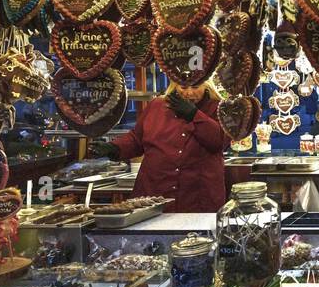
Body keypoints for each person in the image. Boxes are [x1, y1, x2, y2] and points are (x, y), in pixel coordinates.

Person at [89, 83, 227, 213]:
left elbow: (219, 141)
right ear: (174, 85)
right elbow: (137, 138)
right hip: (154, 193)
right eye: (183, 87)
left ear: (207, 85)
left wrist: (194, 115)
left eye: (196, 86)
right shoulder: (157, 106)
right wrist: (114, 147)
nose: (189, 92)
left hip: (197, 197)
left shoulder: (218, 108)